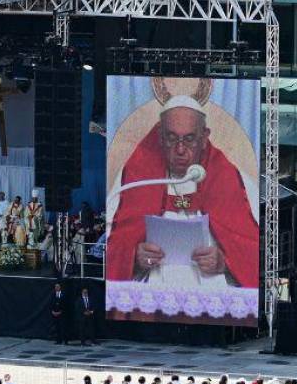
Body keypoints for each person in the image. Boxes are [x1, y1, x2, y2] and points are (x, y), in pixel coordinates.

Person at [107, 93, 259, 290]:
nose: (180, 150)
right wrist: (134, 255)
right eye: (171, 138)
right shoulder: (134, 178)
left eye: (189, 139)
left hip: (213, 288)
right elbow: (112, 240)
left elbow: (253, 247)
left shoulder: (233, 180)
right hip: (152, 286)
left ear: (204, 138)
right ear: (160, 136)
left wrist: (224, 261)